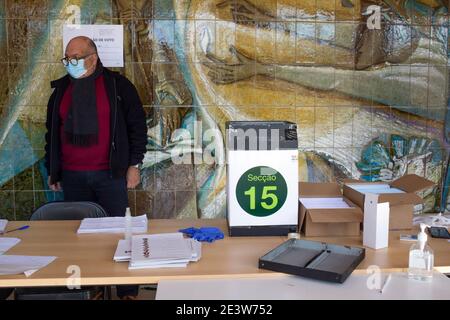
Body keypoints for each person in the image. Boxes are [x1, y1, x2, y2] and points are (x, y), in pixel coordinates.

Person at [44, 36, 147, 299]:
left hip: (110, 175)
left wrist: (134, 164)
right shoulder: (61, 91)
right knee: (80, 239)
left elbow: (137, 127)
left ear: (93, 57)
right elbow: (52, 134)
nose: (70, 63)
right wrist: (53, 170)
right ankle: (92, 289)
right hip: (73, 177)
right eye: (67, 58)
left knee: (120, 234)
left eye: (76, 58)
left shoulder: (118, 86)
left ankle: (127, 292)